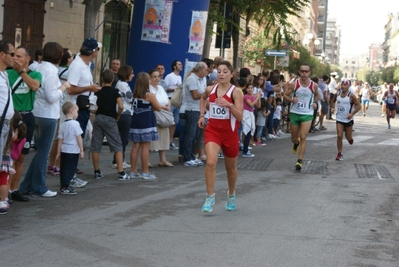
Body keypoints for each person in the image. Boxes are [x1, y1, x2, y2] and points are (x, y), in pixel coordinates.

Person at [19, 42, 70, 197]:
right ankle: (39, 186)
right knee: (43, 152)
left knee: (39, 152)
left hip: (35, 112)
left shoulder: (37, 67)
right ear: (59, 56)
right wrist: (63, 88)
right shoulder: (51, 72)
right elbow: (51, 96)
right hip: (48, 114)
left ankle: (26, 185)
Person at [198, 60, 243, 212]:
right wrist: (202, 115)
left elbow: (240, 117)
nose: (221, 74)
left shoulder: (236, 92)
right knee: (211, 162)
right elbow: (203, 98)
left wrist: (228, 105)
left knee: (231, 169)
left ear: (231, 74)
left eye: (225, 71)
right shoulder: (210, 89)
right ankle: (210, 196)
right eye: (219, 71)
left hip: (230, 134)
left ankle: (231, 193)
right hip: (213, 131)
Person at [6, 46, 41, 202]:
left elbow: (34, 86)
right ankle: (4, 192)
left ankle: (14, 190)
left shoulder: (35, 74)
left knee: (21, 157)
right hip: (12, 117)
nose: (14, 58)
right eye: (13, 55)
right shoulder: (6, 74)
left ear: (27, 59)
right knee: (8, 157)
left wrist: (22, 72)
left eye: (19, 56)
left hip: (27, 118)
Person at [67, 38, 102, 177]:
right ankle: (70, 174)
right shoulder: (77, 65)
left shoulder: (86, 64)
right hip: (76, 107)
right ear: (92, 51)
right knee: (75, 140)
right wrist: (89, 87)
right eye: (97, 49)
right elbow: (70, 89)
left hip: (83, 105)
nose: (97, 52)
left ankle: (72, 172)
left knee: (79, 138)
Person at [91, 69, 129, 180]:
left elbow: (92, 106)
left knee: (96, 145)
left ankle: (97, 171)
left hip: (98, 118)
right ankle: (121, 172)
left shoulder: (97, 92)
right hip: (110, 118)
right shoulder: (115, 92)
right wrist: (118, 115)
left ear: (102, 79)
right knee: (117, 145)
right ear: (113, 79)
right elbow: (121, 106)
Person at [283, 64, 319, 171]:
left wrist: (315, 103)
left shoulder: (314, 85)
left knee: (303, 136)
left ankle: (299, 160)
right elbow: (285, 95)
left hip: (307, 113)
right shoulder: (294, 84)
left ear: (309, 73)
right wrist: (291, 100)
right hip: (294, 112)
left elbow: (316, 95)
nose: (304, 73)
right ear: (299, 72)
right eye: (302, 71)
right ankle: (296, 143)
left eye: (306, 71)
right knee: (294, 138)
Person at [47, 48, 74, 178]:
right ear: (68, 59)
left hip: (55, 105)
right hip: (64, 105)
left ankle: (51, 164)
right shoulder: (69, 72)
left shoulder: (55, 70)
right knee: (61, 137)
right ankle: (57, 165)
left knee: (56, 138)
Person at [129, 72, 161, 180]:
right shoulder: (149, 95)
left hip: (136, 121)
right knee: (145, 146)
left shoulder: (134, 95)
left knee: (135, 146)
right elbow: (158, 107)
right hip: (146, 121)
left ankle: (133, 171)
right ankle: (145, 171)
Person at [180, 62, 208, 166]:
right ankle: (187, 157)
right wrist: (206, 94)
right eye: (205, 70)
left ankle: (192, 155)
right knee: (190, 134)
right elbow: (195, 95)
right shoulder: (192, 79)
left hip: (197, 109)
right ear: (200, 70)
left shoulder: (200, 79)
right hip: (191, 109)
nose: (206, 72)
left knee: (195, 134)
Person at [0, 112, 26, 213]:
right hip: (6, 159)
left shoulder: (7, 130)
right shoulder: (12, 132)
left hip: (2, 158)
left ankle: (2, 201)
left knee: (3, 181)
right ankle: (4, 199)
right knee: (4, 180)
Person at [56, 102, 84, 195]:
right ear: (72, 111)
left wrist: (58, 152)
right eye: (77, 111)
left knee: (64, 168)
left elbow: (60, 139)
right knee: (71, 168)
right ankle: (66, 186)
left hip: (64, 150)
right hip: (73, 151)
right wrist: (81, 150)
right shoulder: (75, 124)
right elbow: (79, 137)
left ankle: (63, 185)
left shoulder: (63, 125)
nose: (77, 114)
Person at [149, 69, 173, 167]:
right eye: (154, 76)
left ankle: (162, 159)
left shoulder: (161, 88)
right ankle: (147, 160)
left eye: (158, 76)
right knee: (152, 138)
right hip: (155, 113)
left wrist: (169, 106)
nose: (157, 78)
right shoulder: (148, 89)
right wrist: (164, 107)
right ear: (150, 78)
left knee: (164, 136)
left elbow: (167, 99)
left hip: (164, 113)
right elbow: (152, 102)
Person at [330, 80, 361, 161]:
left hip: (348, 119)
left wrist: (352, 114)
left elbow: (359, 106)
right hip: (339, 118)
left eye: (345, 85)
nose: (343, 86)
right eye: (342, 85)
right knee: (339, 135)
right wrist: (333, 108)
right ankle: (339, 154)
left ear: (348, 86)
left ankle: (350, 139)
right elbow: (332, 101)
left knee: (348, 137)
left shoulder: (351, 96)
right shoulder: (337, 94)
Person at [111, 65, 134, 169]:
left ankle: (119, 159)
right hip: (124, 113)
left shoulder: (122, 84)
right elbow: (130, 98)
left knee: (122, 138)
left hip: (126, 112)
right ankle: (118, 160)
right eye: (131, 73)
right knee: (123, 138)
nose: (133, 75)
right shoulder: (123, 85)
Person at [164, 60, 183, 150]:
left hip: (177, 101)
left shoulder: (179, 77)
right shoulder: (169, 76)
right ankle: (165, 141)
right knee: (168, 121)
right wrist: (175, 89)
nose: (181, 65)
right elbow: (165, 88)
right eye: (179, 64)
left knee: (174, 122)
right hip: (170, 100)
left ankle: (170, 141)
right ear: (174, 66)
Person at [242, 83, 261, 157]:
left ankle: (245, 148)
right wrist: (256, 98)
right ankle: (245, 150)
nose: (250, 89)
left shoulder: (253, 97)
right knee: (247, 131)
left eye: (251, 88)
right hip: (246, 114)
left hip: (251, 114)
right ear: (246, 89)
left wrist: (258, 98)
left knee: (250, 131)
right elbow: (251, 104)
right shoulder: (246, 97)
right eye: (249, 88)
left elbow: (258, 106)